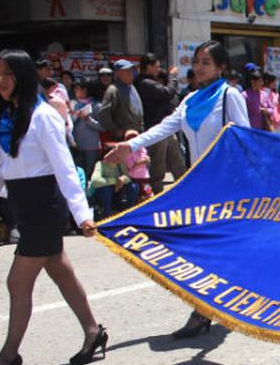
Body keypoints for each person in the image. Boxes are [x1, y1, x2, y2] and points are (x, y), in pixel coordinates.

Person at [0, 49, 105, 365]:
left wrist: (82, 215)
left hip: (45, 207)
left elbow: (65, 168)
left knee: (17, 282)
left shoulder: (44, 115)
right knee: (60, 271)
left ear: (24, 76)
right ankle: (94, 331)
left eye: (9, 74)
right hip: (25, 205)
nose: (2, 81)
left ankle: (9, 356)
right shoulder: (8, 117)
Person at [104, 41, 249, 339]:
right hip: (198, 185)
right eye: (197, 61)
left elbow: (245, 137)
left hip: (225, 186)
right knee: (204, 249)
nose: (198, 67)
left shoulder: (229, 95)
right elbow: (164, 127)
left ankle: (205, 310)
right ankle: (215, 305)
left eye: (206, 62)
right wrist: (129, 146)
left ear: (221, 67)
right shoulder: (191, 100)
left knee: (213, 249)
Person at [136, 53, 184, 194]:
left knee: (177, 161)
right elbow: (167, 92)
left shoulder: (152, 80)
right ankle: (158, 194)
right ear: (148, 67)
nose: (158, 70)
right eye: (156, 67)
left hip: (167, 126)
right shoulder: (145, 83)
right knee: (158, 165)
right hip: (157, 128)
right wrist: (173, 76)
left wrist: (166, 74)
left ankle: (184, 189)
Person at [98, 59, 143, 137]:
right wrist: (117, 131)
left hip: (137, 133)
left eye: (131, 71)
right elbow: (103, 115)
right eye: (127, 71)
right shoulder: (113, 90)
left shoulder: (132, 87)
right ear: (118, 73)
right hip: (124, 136)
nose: (131, 73)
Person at [71, 79, 105, 182]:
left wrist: (88, 120)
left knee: (90, 172)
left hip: (91, 146)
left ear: (85, 90)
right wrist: (75, 116)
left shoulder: (97, 106)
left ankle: (90, 196)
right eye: (75, 88)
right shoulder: (72, 104)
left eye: (78, 88)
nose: (76, 91)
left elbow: (102, 127)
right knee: (77, 172)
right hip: (75, 145)